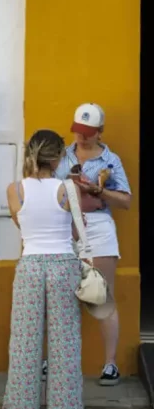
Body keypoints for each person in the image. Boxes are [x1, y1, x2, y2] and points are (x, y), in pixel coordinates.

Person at [2, 130, 87, 409]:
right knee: (65, 344)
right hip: (63, 265)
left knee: (24, 344)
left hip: (30, 266)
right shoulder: (68, 189)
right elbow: (77, 230)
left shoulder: (15, 190)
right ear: (59, 157)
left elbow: (21, 225)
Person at [52, 103, 132, 386]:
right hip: (64, 225)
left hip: (98, 227)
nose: (82, 136)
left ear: (100, 131)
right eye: (78, 130)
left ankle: (110, 363)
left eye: (88, 131)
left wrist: (100, 192)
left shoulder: (111, 160)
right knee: (60, 295)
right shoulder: (61, 155)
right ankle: (55, 361)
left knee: (102, 294)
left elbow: (126, 200)